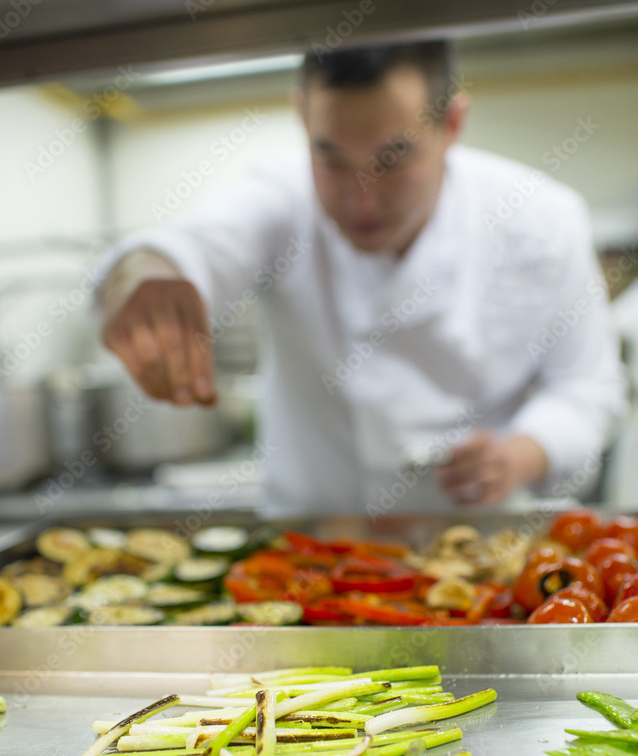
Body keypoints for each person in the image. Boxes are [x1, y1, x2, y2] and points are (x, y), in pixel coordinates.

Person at [98, 41, 625, 517]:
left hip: (478, 552)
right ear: (302, 116)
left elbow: (588, 389)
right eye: (330, 158)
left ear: (453, 126)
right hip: (308, 557)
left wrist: (520, 455)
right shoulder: (281, 198)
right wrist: (150, 272)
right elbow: (192, 246)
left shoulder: (541, 221)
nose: (360, 199)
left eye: (393, 160)